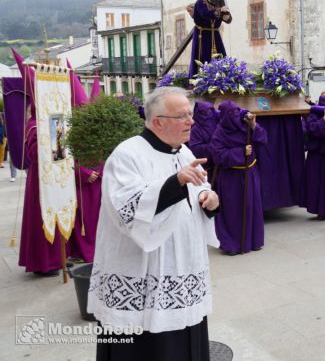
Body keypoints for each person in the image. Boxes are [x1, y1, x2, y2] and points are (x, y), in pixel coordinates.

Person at [88, 87, 220, 360]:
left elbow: (199, 190)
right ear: (158, 121)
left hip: (183, 266)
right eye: (182, 115)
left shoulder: (183, 151)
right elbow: (127, 208)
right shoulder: (127, 155)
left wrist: (209, 198)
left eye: (190, 114)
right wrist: (177, 182)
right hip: (143, 274)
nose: (191, 121)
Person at [210, 101, 267, 254]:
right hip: (231, 177)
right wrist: (240, 151)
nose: (236, 116)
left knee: (251, 207)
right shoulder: (220, 132)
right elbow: (218, 155)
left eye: (237, 112)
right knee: (232, 211)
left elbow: (262, 140)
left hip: (250, 172)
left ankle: (253, 241)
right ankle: (233, 244)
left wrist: (254, 126)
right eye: (232, 114)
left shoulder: (246, 124)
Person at [18, 112, 62, 276]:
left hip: (55, 175)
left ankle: (57, 259)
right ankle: (44, 263)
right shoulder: (34, 124)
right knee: (41, 218)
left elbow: (59, 153)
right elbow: (35, 154)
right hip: (40, 179)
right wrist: (50, 133)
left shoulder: (55, 119)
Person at [187, 0, 232, 78]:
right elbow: (205, 14)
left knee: (221, 57)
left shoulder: (219, 5)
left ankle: (222, 79)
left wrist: (226, 14)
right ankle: (198, 80)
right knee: (201, 58)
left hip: (215, 35)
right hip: (201, 35)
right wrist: (220, 10)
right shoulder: (200, 3)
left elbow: (228, 20)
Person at [66, 163, 103, 263]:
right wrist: (83, 173)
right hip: (81, 185)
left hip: (98, 180)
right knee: (83, 220)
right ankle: (81, 252)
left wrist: (100, 171)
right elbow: (67, 161)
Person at [188, 101, 219, 175]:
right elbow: (195, 148)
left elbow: (228, 113)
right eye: (204, 112)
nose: (207, 113)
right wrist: (215, 146)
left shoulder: (215, 118)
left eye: (209, 110)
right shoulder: (195, 129)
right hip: (205, 167)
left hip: (219, 165)